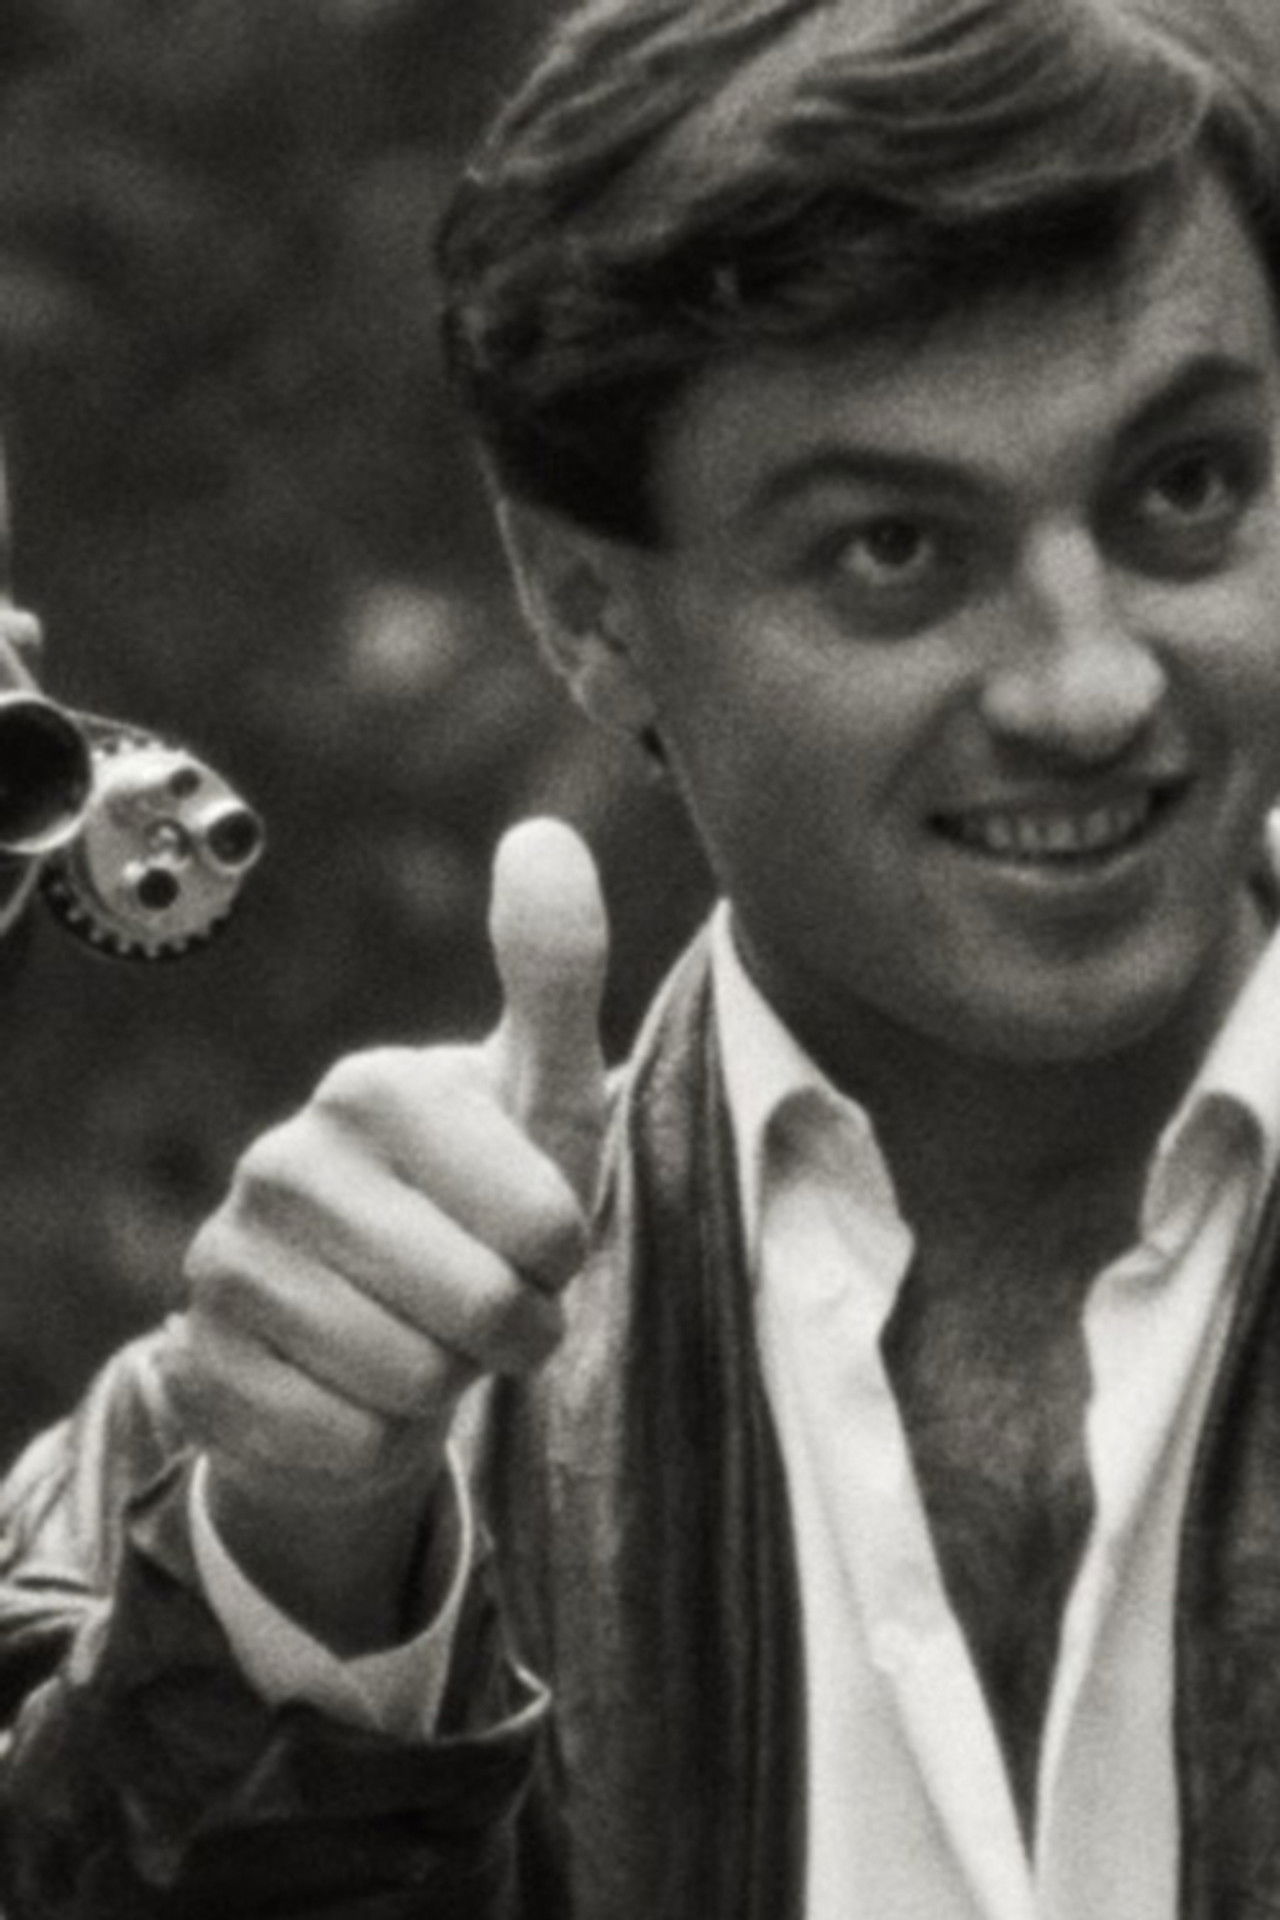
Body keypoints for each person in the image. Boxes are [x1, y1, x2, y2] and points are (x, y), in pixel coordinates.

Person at [6, 0, 1280, 1912]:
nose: (1089, 687)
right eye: (895, 550)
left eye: (1186, 488)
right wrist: (307, 1595)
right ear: (587, 610)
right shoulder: (264, 1457)